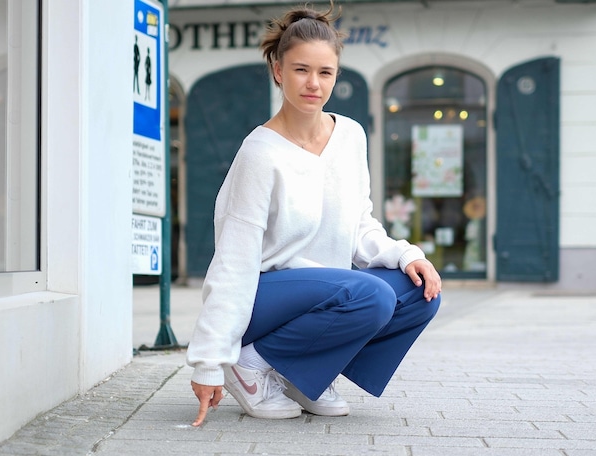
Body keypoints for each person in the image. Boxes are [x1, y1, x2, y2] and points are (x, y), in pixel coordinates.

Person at [187, 1, 442, 427]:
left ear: (336, 76)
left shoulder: (351, 136)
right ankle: (248, 365)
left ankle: (303, 375)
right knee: (372, 295)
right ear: (278, 70)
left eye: (325, 72)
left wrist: (405, 255)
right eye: (301, 69)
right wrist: (210, 361)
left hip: (332, 293)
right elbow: (234, 259)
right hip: (266, 299)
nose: (313, 83)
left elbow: (360, 222)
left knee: (419, 292)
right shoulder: (259, 153)